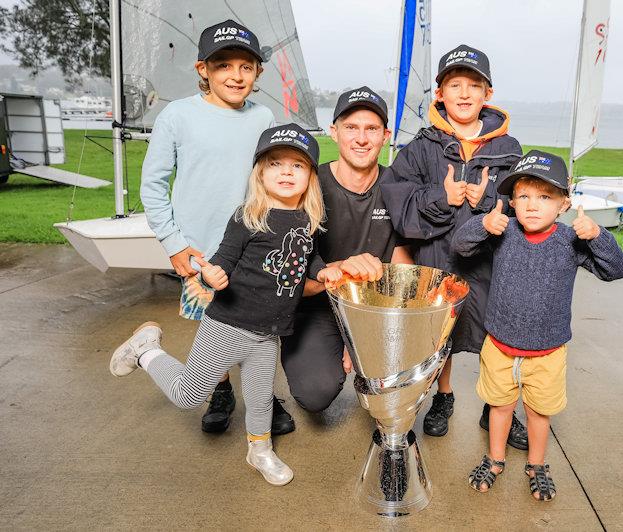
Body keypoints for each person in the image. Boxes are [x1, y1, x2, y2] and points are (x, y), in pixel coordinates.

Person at [110, 124, 383, 485]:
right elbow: (220, 261)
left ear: (310, 178)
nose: (286, 171)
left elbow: (308, 260)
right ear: (260, 173)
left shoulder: (308, 222)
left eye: (297, 166)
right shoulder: (247, 217)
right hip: (228, 325)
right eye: (275, 163)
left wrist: (326, 271)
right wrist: (212, 277)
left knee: (260, 402)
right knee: (187, 395)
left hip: (269, 333)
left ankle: (260, 451)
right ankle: (146, 350)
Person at [140, 20, 294, 436]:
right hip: (201, 247)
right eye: (224, 65)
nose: (236, 75)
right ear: (202, 69)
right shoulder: (177, 115)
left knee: (260, 321)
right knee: (213, 327)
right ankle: (220, 389)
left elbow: (272, 175)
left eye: (246, 66)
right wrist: (173, 244)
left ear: (257, 73)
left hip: (256, 246)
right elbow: (152, 186)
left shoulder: (263, 116)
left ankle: (262, 396)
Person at [451, 150, 623, 500]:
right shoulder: (504, 232)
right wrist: (482, 225)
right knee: (500, 408)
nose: (533, 206)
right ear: (512, 201)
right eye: (524, 196)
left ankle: (537, 464)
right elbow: (461, 247)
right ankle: (495, 458)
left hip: (547, 353)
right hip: (500, 346)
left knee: (538, 412)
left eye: (545, 197)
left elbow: (615, 270)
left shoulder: (570, 241)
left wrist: (597, 236)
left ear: (564, 202)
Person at [380, 44, 527, 448]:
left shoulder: (509, 150)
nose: (464, 94)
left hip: (490, 266)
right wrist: (441, 198)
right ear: (439, 93)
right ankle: (443, 397)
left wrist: (484, 203)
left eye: (474, 86)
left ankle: (496, 405)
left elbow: (527, 208)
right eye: (454, 85)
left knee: (495, 338)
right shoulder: (422, 145)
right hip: (438, 259)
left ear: (488, 94)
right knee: (439, 336)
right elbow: (397, 199)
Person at [280, 86, 413, 414]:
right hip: (315, 305)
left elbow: (404, 268)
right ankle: (319, 349)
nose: (361, 138)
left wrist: (364, 334)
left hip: (374, 307)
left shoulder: (399, 186)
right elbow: (289, 277)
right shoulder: (307, 185)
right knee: (315, 393)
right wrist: (340, 271)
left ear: (385, 136)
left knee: (397, 391)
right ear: (334, 131)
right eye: (351, 127)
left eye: (371, 129)